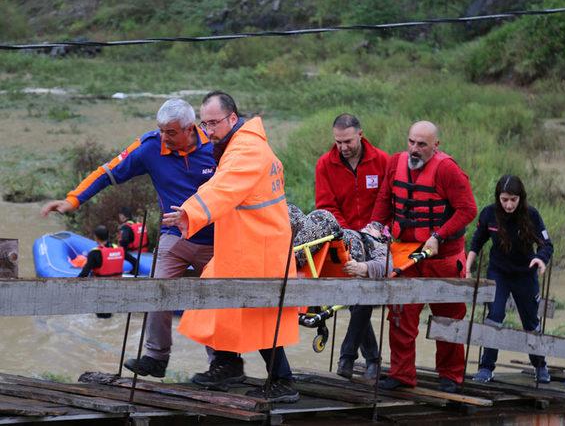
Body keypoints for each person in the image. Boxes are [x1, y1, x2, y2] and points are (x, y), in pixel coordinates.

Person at [41, 98, 216, 378]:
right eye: (161, 130)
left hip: (215, 238)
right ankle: (156, 357)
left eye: (171, 132)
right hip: (174, 236)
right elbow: (107, 172)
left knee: (216, 298)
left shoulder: (215, 145)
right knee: (157, 289)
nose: (164, 137)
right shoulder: (150, 147)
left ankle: (220, 363)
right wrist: (73, 200)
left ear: (189, 129)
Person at [162, 91, 300, 403]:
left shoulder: (248, 150)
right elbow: (218, 184)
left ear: (233, 119)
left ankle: (283, 380)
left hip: (260, 247)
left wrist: (191, 212)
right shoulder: (238, 145)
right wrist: (192, 208)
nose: (208, 130)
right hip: (244, 243)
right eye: (205, 123)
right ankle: (227, 363)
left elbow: (223, 187)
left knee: (259, 312)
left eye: (214, 123)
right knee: (217, 299)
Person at [369, 120, 477, 393]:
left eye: (422, 144)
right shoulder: (395, 164)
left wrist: (439, 235)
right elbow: (384, 200)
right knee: (400, 316)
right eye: (411, 142)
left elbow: (468, 209)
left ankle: (451, 376)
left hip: (443, 257)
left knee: (449, 318)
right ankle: (401, 374)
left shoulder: (447, 170)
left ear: (435, 146)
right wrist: (374, 233)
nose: (414, 149)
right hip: (405, 254)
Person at [315, 113, 390, 380]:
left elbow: (387, 199)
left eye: (347, 141)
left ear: (360, 134)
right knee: (357, 295)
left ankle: (349, 356)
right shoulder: (325, 164)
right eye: (338, 142)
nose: (343, 147)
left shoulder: (382, 161)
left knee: (363, 292)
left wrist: (374, 230)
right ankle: (370, 358)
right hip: (343, 238)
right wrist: (349, 234)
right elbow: (326, 205)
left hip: (378, 237)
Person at [467, 175, 553, 384]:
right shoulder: (489, 213)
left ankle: (540, 365)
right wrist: (467, 266)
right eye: (504, 199)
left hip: (525, 274)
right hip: (499, 273)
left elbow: (547, 245)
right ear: (498, 198)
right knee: (494, 316)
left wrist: (540, 260)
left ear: (520, 198)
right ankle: (486, 367)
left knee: (531, 321)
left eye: (513, 199)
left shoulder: (531, 215)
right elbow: (477, 242)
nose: (508, 204)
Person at [79, 225, 125, 319]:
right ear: (108, 236)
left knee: (101, 318)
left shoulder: (94, 253)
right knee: (110, 315)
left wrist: (73, 284)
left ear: (96, 237)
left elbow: (84, 273)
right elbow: (133, 261)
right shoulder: (118, 249)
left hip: (100, 290)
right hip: (116, 289)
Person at [117, 206, 149, 274]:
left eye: (120, 215)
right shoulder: (138, 225)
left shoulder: (125, 227)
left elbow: (124, 241)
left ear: (123, 216)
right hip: (145, 253)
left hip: (133, 253)